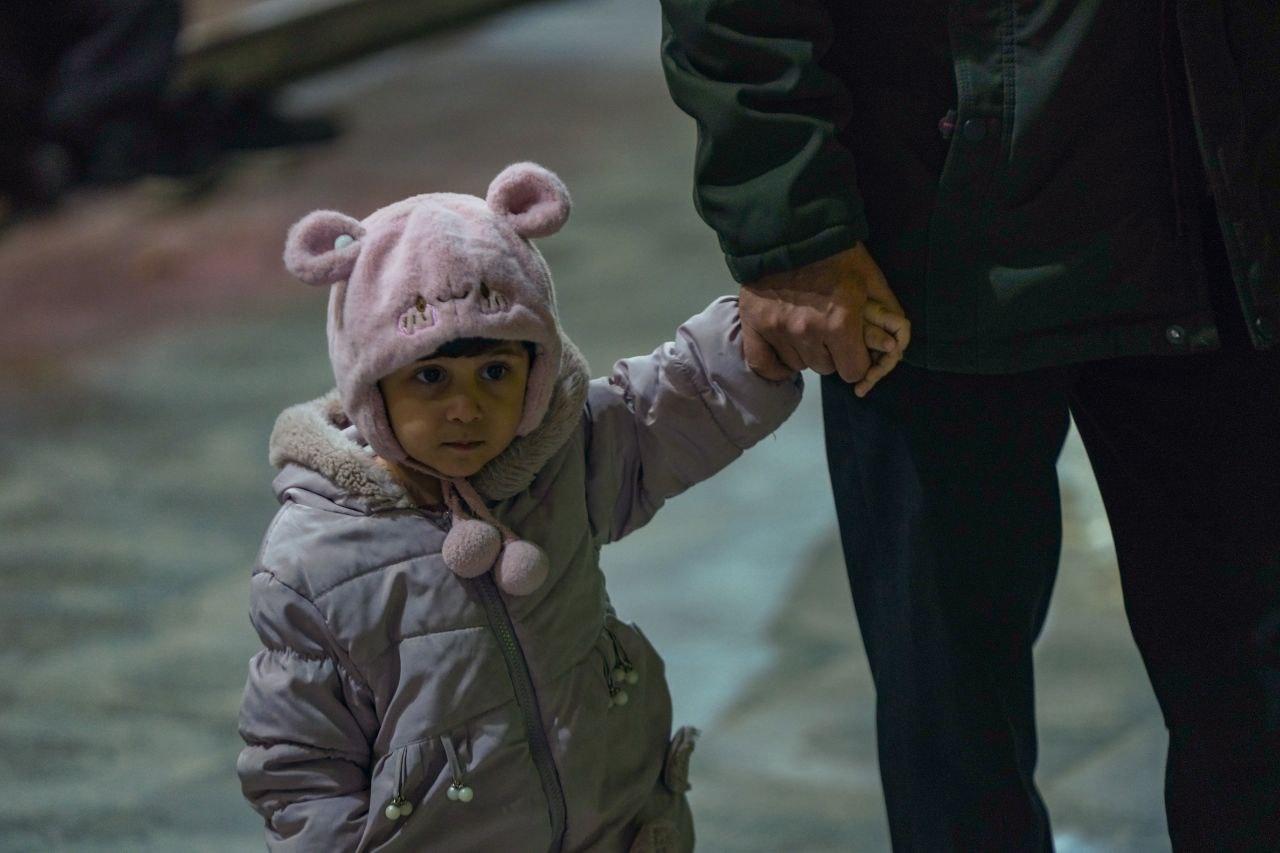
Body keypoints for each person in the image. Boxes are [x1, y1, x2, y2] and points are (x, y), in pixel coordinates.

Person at [658, 0, 1279, 849]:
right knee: (954, 735)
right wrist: (792, 222)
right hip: (934, 238)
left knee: (1258, 701)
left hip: (1223, 211)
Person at [233, 161, 910, 850]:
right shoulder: (314, 559)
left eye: (496, 372)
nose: (466, 407)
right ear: (370, 386)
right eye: (430, 376)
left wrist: (760, 345)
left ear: (536, 373)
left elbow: (669, 404)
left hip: (615, 825)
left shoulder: (558, 456)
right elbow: (301, 770)